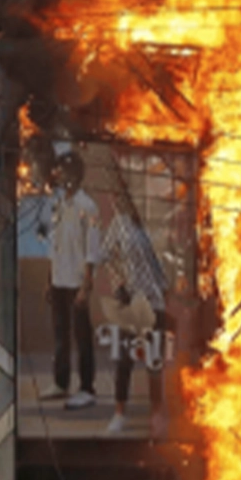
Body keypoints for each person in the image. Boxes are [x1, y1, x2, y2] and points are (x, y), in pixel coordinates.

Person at [84, 160, 173, 435]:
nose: (123, 201)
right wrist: (117, 282)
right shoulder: (120, 225)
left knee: (153, 362)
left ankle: (157, 415)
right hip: (130, 305)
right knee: (123, 360)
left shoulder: (155, 222)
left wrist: (169, 290)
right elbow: (104, 255)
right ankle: (119, 414)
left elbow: (168, 261)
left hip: (155, 303)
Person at [39, 151, 99, 411]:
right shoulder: (60, 204)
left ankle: (87, 388)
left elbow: (92, 249)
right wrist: (48, 279)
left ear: (75, 174)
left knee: (82, 337)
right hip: (59, 279)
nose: (59, 176)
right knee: (60, 335)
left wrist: (86, 286)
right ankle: (60, 383)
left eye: (63, 171)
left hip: (76, 283)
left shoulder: (88, 207)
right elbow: (55, 246)